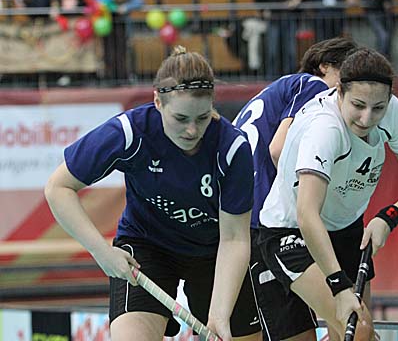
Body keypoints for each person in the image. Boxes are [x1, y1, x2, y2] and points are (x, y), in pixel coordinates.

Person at [44, 46, 261, 341]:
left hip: (215, 253)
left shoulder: (232, 148)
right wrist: (101, 252)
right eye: (181, 118)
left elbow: (234, 238)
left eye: (202, 118)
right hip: (147, 249)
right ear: (157, 101)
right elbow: (58, 187)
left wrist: (219, 316)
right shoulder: (129, 133)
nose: (192, 130)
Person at [257, 48, 398, 339]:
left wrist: (388, 218)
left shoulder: (391, 111)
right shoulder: (324, 128)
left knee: (358, 333)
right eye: (358, 105)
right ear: (340, 92)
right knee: (358, 328)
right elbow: (307, 214)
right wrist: (338, 285)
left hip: (346, 228)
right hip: (291, 232)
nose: (367, 118)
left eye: (378, 108)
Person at [233, 37, 358, 341]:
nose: (350, 89)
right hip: (264, 221)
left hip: (239, 220)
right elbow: (279, 149)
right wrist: (312, 202)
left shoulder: (279, 90)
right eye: (347, 76)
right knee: (336, 325)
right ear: (325, 66)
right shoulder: (314, 88)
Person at [254, 0, 300, 77]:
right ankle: (271, 76)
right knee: (272, 50)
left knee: (290, 50)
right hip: (273, 18)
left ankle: (290, 76)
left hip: (289, 17)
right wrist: (263, 10)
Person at [95, 0, 143, 81]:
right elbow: (95, 2)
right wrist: (103, 5)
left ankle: (121, 76)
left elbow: (139, 1)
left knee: (121, 51)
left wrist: (125, 7)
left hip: (121, 24)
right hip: (106, 25)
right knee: (108, 51)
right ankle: (109, 76)